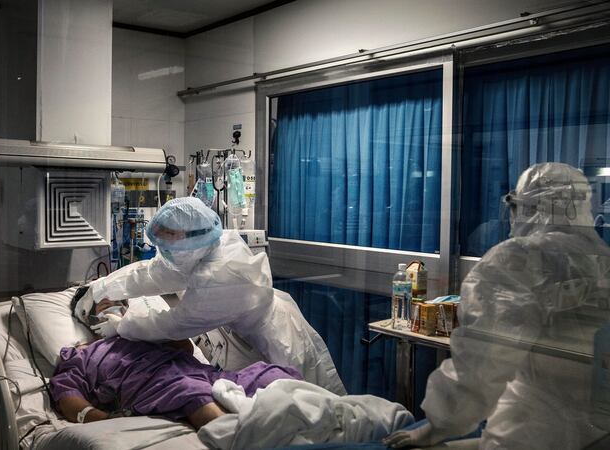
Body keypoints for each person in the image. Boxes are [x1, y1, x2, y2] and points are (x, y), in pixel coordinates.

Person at [384, 163, 610, 449]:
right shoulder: (600, 258)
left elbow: (482, 360)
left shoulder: (522, 258)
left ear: (531, 207)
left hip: (533, 431)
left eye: (516, 206)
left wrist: (437, 427)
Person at [75, 197, 346, 395]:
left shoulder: (217, 277)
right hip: (243, 332)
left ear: (190, 239)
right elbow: (155, 273)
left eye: (168, 243)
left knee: (309, 406)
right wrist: (102, 287)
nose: (163, 252)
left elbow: (172, 325)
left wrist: (122, 325)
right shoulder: (210, 243)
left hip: (276, 341)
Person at [50, 299, 303, 429]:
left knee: (274, 374)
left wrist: (144, 327)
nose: (115, 308)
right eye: (105, 305)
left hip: (201, 373)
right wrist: (100, 418)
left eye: (119, 304)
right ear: (89, 318)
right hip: (156, 384)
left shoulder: (144, 332)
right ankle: (238, 437)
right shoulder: (83, 353)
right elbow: (67, 394)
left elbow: (186, 348)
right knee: (188, 390)